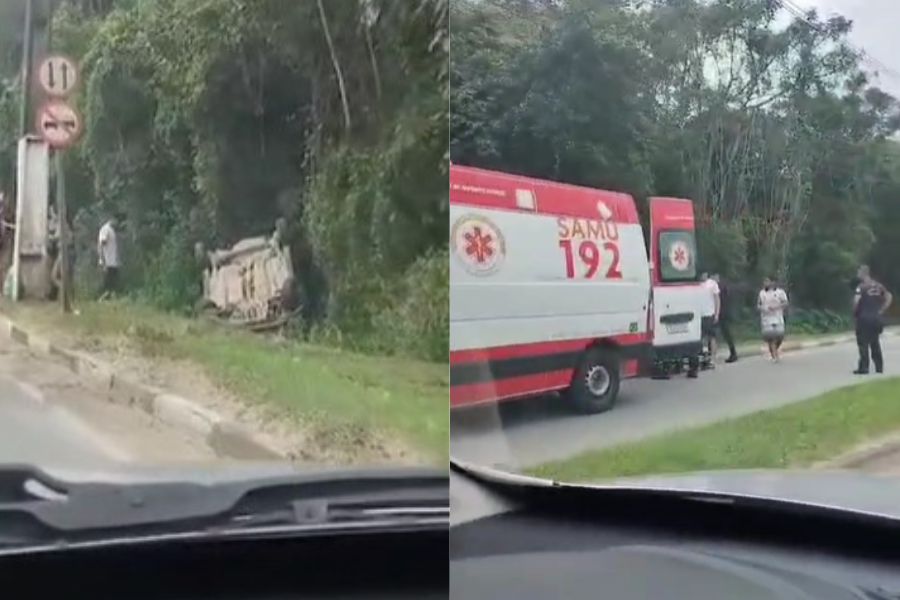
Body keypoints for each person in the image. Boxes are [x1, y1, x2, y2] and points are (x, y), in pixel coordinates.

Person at [853, 265, 892, 375]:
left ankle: (864, 367)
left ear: (863, 273)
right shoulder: (879, 286)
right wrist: (882, 309)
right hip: (876, 318)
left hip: (864, 318)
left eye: (859, 272)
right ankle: (879, 367)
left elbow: (856, 301)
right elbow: (889, 296)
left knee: (863, 343)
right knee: (875, 342)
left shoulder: (861, 287)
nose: (858, 274)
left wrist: (855, 313)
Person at [757, 277, 789, 362]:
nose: (766, 283)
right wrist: (763, 308)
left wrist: (777, 307)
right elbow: (759, 305)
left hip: (778, 317)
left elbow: (785, 303)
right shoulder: (762, 293)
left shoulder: (780, 292)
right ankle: (775, 355)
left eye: (768, 281)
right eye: (765, 282)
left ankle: (774, 351)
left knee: (780, 336)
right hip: (766, 318)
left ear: (773, 282)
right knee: (770, 337)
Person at [712, 273, 737, 363]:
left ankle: (731, 353)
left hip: (720, 312)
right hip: (724, 312)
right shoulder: (724, 286)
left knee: (715, 334)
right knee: (725, 333)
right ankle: (732, 352)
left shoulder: (717, 287)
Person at [97, 213, 121, 300]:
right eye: (117, 221)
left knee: (113, 281)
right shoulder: (105, 229)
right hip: (108, 260)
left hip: (112, 260)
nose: (118, 224)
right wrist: (102, 259)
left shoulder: (112, 230)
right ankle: (102, 298)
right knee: (108, 282)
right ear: (113, 219)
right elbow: (102, 244)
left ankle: (112, 297)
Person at [700, 272, 720, 367]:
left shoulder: (712, 284)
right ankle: (705, 356)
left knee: (712, 337)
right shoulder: (698, 284)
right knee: (703, 337)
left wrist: (716, 314)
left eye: (703, 274)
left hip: (710, 313)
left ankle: (713, 358)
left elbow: (717, 299)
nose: (702, 276)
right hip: (700, 314)